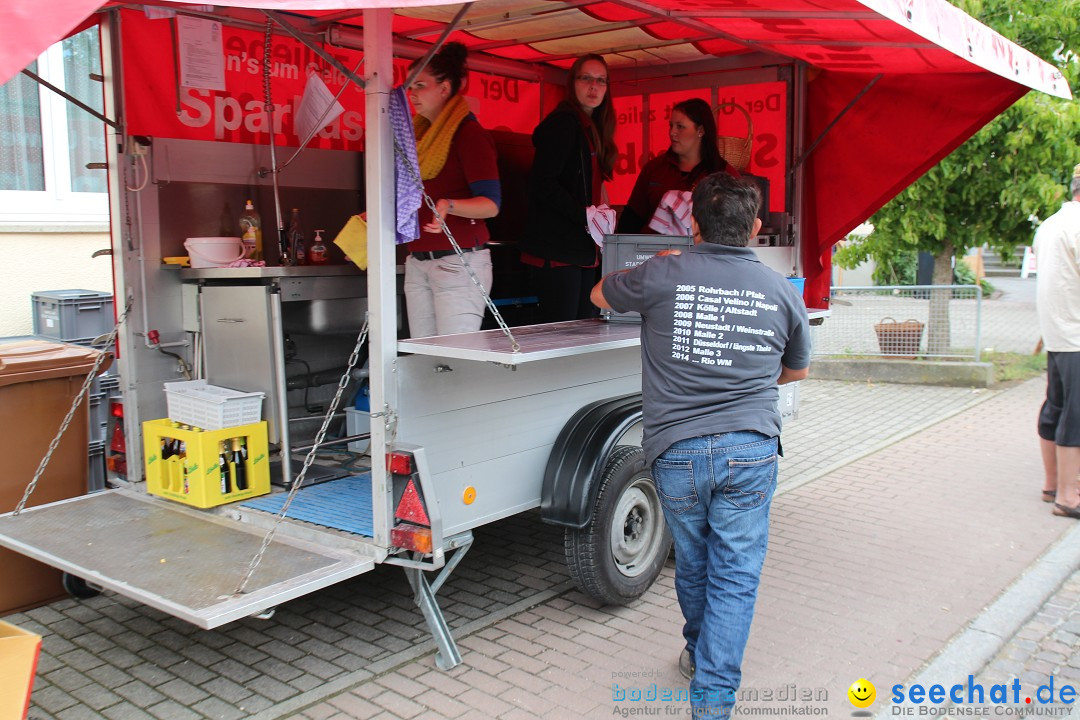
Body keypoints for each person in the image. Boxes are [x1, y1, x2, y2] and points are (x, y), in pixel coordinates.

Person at [590, 172, 810, 719]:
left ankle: (697, 650)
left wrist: (652, 265)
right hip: (751, 449)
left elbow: (598, 293)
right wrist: (744, 377)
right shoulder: (781, 290)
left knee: (692, 560)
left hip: (677, 452)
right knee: (734, 574)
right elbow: (796, 371)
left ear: (693, 225)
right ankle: (712, 702)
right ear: (755, 228)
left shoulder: (663, 271)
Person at [405, 42, 501, 337]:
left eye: (420, 85)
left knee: (457, 356)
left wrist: (450, 204)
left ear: (444, 88)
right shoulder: (417, 137)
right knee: (424, 355)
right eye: (410, 86)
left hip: (458, 262)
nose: (412, 94)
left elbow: (491, 204)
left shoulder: (468, 134)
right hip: (417, 262)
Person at [520, 54, 617, 323]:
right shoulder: (563, 123)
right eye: (586, 79)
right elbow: (542, 183)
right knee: (565, 333)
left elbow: (594, 186)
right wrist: (584, 214)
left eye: (601, 81)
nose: (593, 87)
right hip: (558, 250)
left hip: (582, 251)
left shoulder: (593, 128)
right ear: (572, 83)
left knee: (584, 330)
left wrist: (600, 216)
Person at [616, 97, 738, 234]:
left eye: (680, 126)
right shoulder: (654, 168)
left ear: (701, 131)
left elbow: (733, 229)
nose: (672, 132)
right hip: (652, 252)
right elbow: (632, 218)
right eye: (671, 125)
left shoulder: (724, 174)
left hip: (701, 253)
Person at [1035, 163, 1080, 518]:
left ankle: (1052, 486)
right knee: (1075, 415)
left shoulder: (1050, 225)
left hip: (1057, 332)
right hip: (1077, 333)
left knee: (1055, 407)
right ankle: (1070, 497)